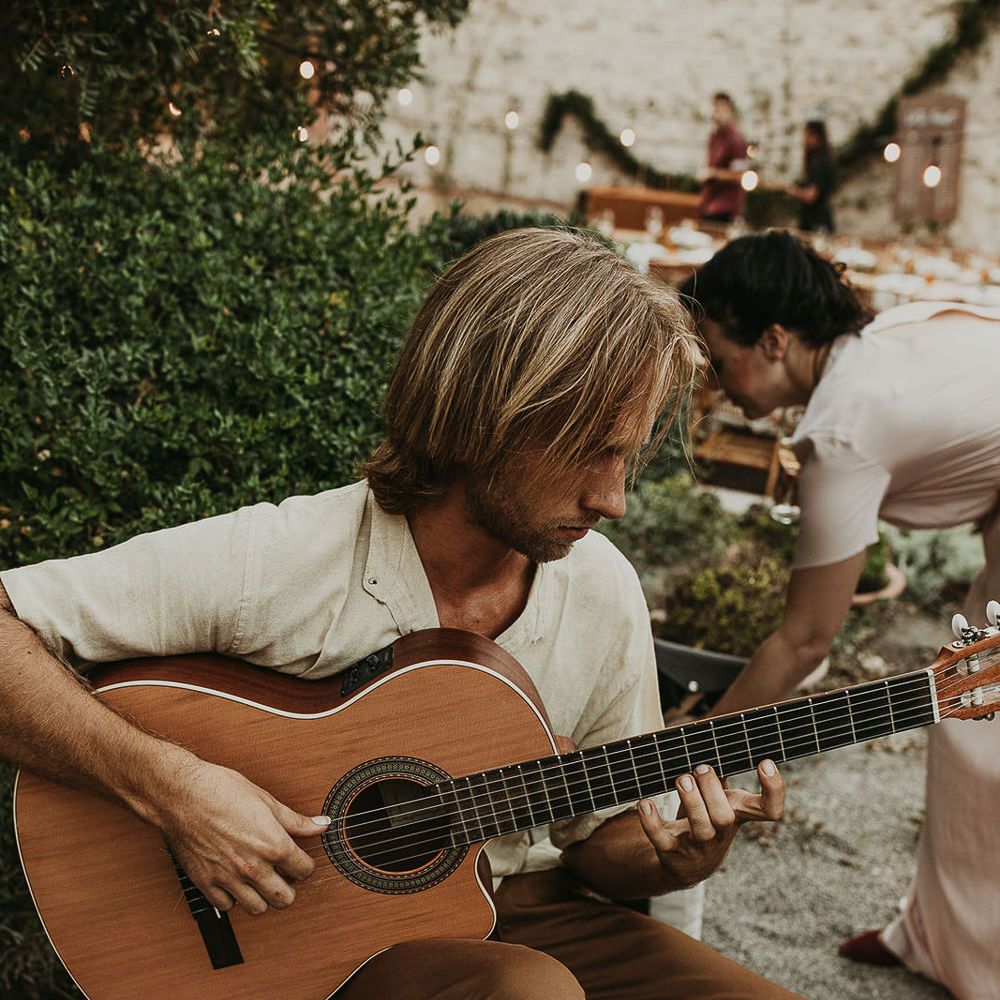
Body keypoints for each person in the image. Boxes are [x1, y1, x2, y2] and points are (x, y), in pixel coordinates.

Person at [0, 228, 797, 999]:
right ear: (483, 415)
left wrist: (678, 858)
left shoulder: (600, 588)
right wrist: (177, 791)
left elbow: (599, 847)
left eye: (626, 455)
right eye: (588, 449)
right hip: (312, 940)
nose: (613, 498)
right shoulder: (283, 562)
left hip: (522, 911)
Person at [680, 230, 1000, 1000]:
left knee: (980, 733)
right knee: (969, 711)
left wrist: (690, 756)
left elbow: (803, 640)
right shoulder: (870, 348)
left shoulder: (842, 430)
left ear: (776, 339)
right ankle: (933, 937)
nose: (719, 388)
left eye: (721, 361)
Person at [697, 92, 751, 224]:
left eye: (719, 109)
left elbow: (739, 175)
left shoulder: (736, 139)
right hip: (708, 204)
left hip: (724, 208)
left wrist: (713, 174)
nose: (715, 113)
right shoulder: (715, 136)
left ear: (729, 110)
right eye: (714, 108)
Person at [785, 120, 835, 233]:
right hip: (810, 220)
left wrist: (793, 191)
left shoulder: (821, 164)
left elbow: (810, 196)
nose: (804, 140)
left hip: (817, 223)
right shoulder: (817, 162)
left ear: (816, 137)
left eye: (807, 135)